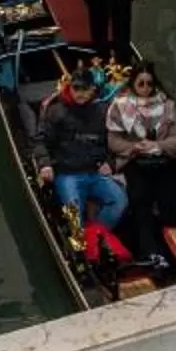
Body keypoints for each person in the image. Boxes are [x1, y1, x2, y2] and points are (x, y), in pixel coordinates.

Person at [35, 61, 129, 234]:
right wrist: (45, 164)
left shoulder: (102, 111)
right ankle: (80, 243)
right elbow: (41, 141)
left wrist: (110, 163)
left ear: (92, 89)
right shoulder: (56, 111)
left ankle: (95, 236)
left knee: (119, 200)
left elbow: (112, 143)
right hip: (66, 174)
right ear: (70, 88)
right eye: (76, 88)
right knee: (74, 215)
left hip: (95, 173)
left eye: (84, 89)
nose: (80, 93)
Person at [107, 65, 176, 263]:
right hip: (135, 161)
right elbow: (113, 142)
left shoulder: (168, 106)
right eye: (141, 84)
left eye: (149, 84)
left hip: (165, 161)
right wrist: (135, 147)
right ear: (133, 84)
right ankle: (149, 252)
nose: (145, 88)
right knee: (141, 203)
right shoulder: (119, 106)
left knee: (168, 205)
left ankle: (171, 252)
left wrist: (157, 145)